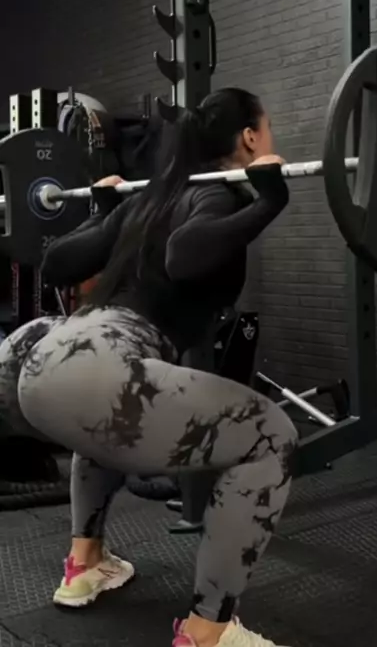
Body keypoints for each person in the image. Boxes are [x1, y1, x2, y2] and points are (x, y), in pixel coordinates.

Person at [0, 88, 298, 647]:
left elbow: (57, 261)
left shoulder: (148, 200)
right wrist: (267, 203)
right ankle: (209, 632)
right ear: (250, 138)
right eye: (267, 129)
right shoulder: (219, 195)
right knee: (272, 436)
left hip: (42, 357)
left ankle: (85, 564)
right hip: (104, 361)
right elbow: (184, 255)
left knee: (105, 417)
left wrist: (104, 216)